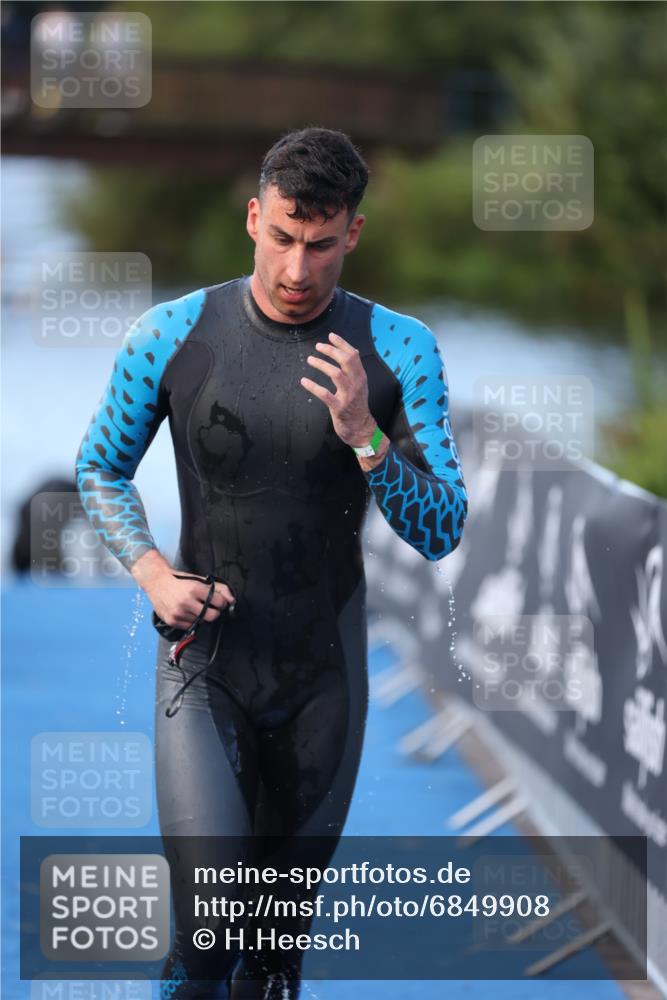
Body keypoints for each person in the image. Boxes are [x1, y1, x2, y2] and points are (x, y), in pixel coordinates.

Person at [75, 127, 468, 999]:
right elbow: (100, 466)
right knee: (213, 929)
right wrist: (149, 574)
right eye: (283, 237)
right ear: (254, 218)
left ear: (352, 235)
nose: (298, 270)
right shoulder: (171, 332)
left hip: (322, 679)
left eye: (321, 245)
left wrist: (365, 436)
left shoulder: (400, 350)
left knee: (273, 959)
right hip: (205, 669)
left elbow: (441, 527)